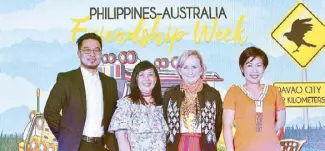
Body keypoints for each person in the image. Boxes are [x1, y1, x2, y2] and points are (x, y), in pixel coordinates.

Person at [44, 33, 119, 151]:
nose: (92, 54)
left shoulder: (110, 83)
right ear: (79, 54)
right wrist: (66, 136)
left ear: (101, 53)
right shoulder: (66, 79)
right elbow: (50, 111)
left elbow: (114, 117)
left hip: (102, 146)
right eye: (87, 50)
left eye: (96, 50)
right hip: (75, 146)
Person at [223, 46, 286, 151]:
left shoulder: (273, 91)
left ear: (264, 68)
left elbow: (281, 121)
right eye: (249, 65)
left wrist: (265, 133)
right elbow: (227, 125)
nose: (254, 70)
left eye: (258, 65)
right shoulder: (234, 92)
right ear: (242, 68)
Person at [163, 50, 223, 151]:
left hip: (204, 147)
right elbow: (165, 123)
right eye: (185, 67)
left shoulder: (213, 95)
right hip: (177, 147)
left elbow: (217, 126)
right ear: (179, 70)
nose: (190, 72)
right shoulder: (170, 95)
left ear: (201, 70)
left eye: (194, 67)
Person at [108, 60, 168, 151]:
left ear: (156, 79)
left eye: (150, 74)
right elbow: (121, 137)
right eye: (141, 75)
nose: (146, 79)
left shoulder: (163, 105)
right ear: (135, 79)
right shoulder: (126, 104)